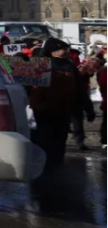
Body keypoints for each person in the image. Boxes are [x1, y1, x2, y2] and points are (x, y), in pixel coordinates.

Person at [29, 38, 83, 167]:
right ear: (53, 51)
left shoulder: (69, 66)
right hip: (43, 109)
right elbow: (27, 86)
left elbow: (78, 89)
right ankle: (45, 165)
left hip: (62, 109)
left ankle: (56, 164)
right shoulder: (39, 64)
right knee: (45, 138)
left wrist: (86, 107)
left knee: (59, 139)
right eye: (62, 49)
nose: (65, 51)